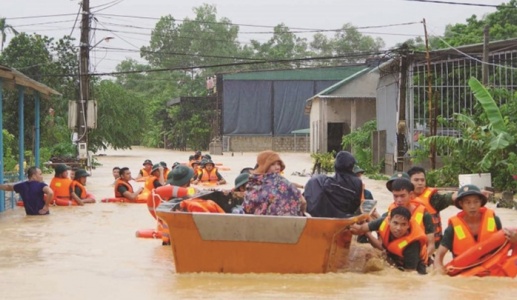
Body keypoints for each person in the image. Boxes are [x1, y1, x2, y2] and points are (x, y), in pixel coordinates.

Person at [351, 179, 436, 258]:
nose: (398, 200)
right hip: (394, 256)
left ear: (411, 195)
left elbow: (431, 245)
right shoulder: (388, 215)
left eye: (402, 196)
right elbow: (361, 230)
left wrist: (422, 259)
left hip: (415, 259)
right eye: (395, 196)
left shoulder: (425, 215)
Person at [434, 185, 504, 275]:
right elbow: (439, 256)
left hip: (491, 272)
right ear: (461, 204)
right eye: (468, 202)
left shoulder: (494, 220)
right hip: (465, 275)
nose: (472, 206)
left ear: (481, 202)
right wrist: (439, 274)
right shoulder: (452, 229)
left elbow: (504, 245)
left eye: (476, 202)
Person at [352, 206, 428, 274]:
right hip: (394, 256)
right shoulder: (382, 222)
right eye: (395, 223)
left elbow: (410, 274)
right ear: (389, 221)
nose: (398, 228)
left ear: (408, 225)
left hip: (417, 266)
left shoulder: (412, 244)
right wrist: (349, 225)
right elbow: (360, 229)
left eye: (403, 224)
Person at [243, 150, 306, 216]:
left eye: (278, 164)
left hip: (258, 223)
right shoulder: (282, 182)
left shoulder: (252, 182)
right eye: (272, 164)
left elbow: (247, 208)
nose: (277, 167)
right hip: (286, 223)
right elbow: (303, 202)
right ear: (264, 165)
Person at [407, 166, 456, 249]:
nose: (420, 183)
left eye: (422, 180)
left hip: (433, 246)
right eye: (416, 180)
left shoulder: (433, 198)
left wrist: (472, 193)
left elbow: (449, 197)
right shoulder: (402, 197)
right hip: (412, 245)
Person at [304, 151, 362, 218]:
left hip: (321, 217)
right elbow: (356, 205)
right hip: (345, 218)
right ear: (351, 166)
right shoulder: (357, 182)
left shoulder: (320, 181)